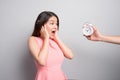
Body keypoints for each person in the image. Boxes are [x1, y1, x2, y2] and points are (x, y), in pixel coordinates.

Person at [28, 11, 74, 80]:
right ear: (41, 25)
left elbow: (70, 56)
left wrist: (56, 38)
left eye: (56, 24)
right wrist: (46, 38)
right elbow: (42, 62)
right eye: (52, 23)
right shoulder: (33, 40)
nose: (55, 27)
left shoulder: (54, 40)